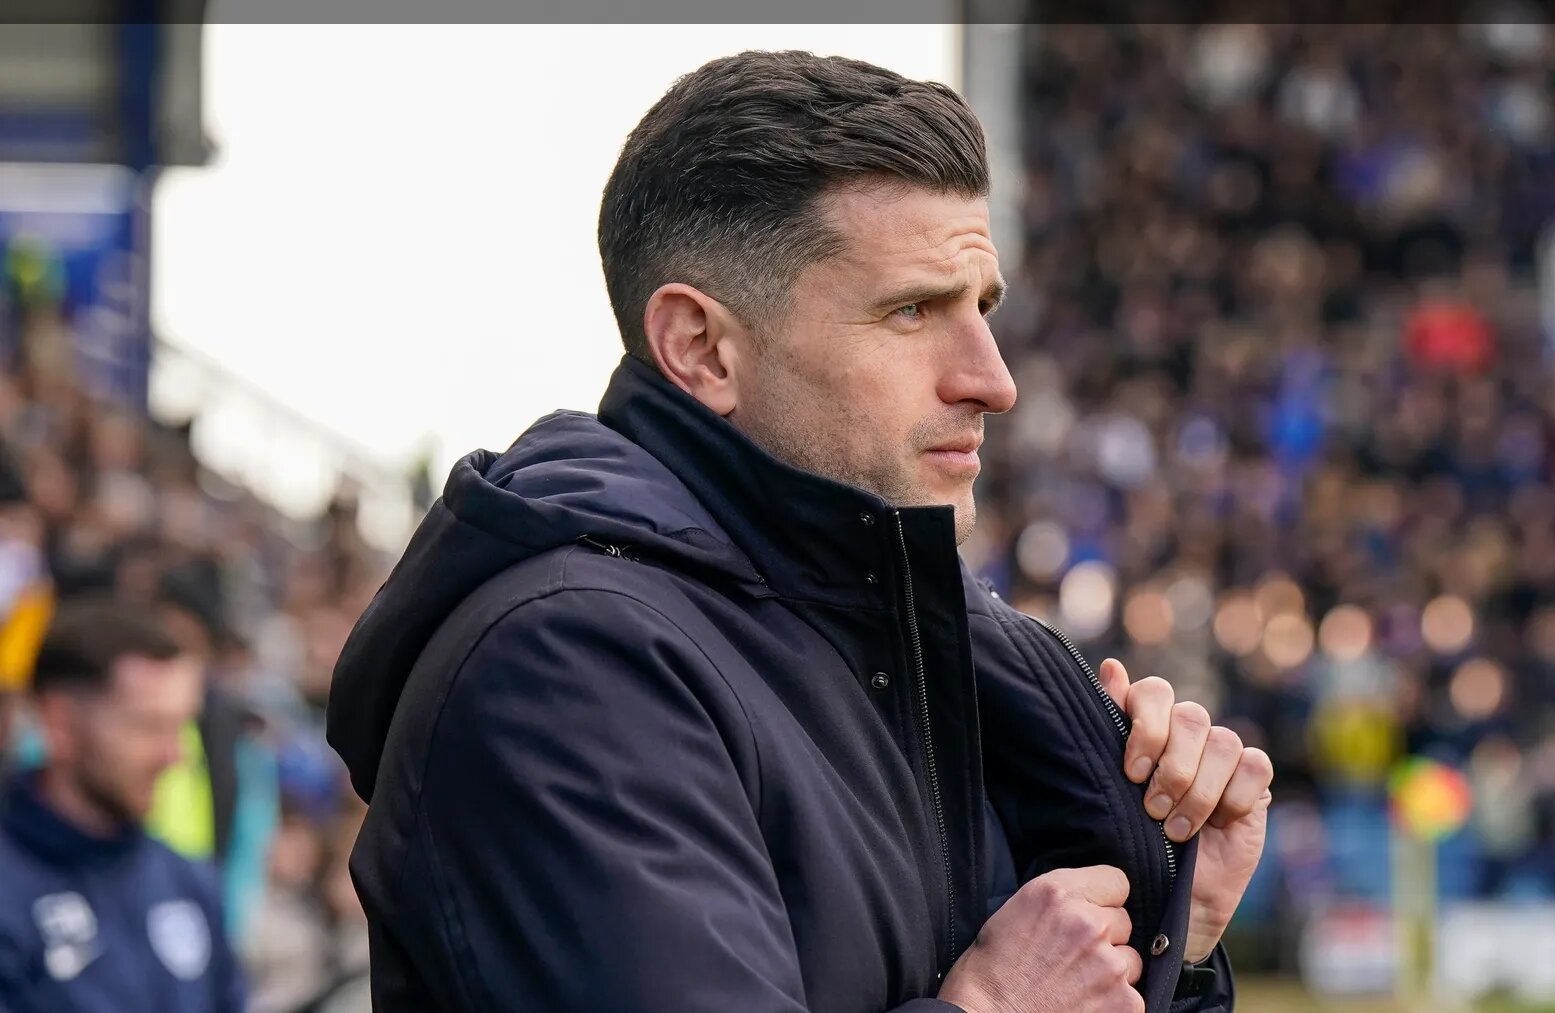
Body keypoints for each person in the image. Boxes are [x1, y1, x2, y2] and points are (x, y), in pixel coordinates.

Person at [328, 50, 1272, 1013]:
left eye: (982, 308)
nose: (993, 380)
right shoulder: (569, 662)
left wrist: (1175, 936)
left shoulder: (893, 645)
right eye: (912, 310)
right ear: (701, 348)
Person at [0, 598, 247, 1011]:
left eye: (183, 726)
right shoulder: (11, 888)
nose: (175, 756)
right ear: (61, 722)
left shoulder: (188, 883)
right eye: (149, 726)